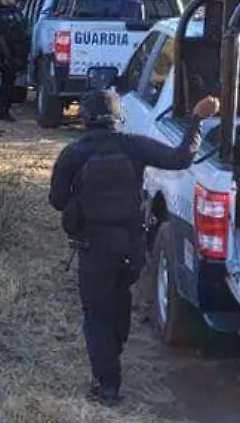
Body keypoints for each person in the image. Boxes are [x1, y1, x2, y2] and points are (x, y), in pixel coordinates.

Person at [49, 90, 222, 405]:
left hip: (94, 248)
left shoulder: (74, 154)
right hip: (131, 247)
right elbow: (182, 157)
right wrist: (197, 118)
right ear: (119, 117)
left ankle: (108, 385)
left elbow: (57, 200)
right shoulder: (134, 146)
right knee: (120, 298)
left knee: (96, 314)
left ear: (86, 117)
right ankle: (113, 353)